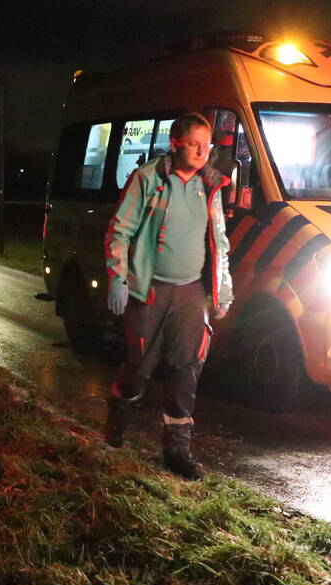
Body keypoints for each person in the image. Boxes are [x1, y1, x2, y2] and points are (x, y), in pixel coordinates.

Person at [102, 112, 233, 480]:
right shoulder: (148, 179)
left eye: (207, 144)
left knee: (186, 367)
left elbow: (219, 241)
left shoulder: (210, 186)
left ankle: (177, 452)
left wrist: (224, 289)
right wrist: (118, 278)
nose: (202, 151)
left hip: (190, 291)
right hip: (150, 290)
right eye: (194, 143)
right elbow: (119, 232)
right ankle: (116, 428)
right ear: (175, 144)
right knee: (139, 366)